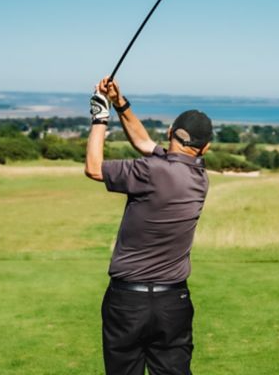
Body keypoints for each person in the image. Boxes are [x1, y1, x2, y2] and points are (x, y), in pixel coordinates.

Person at [85, 76, 213, 375]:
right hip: (174, 302)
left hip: (127, 301)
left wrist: (100, 118)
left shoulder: (150, 171)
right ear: (205, 148)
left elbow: (93, 168)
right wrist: (120, 103)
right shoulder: (199, 177)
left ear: (169, 132)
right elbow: (144, 143)